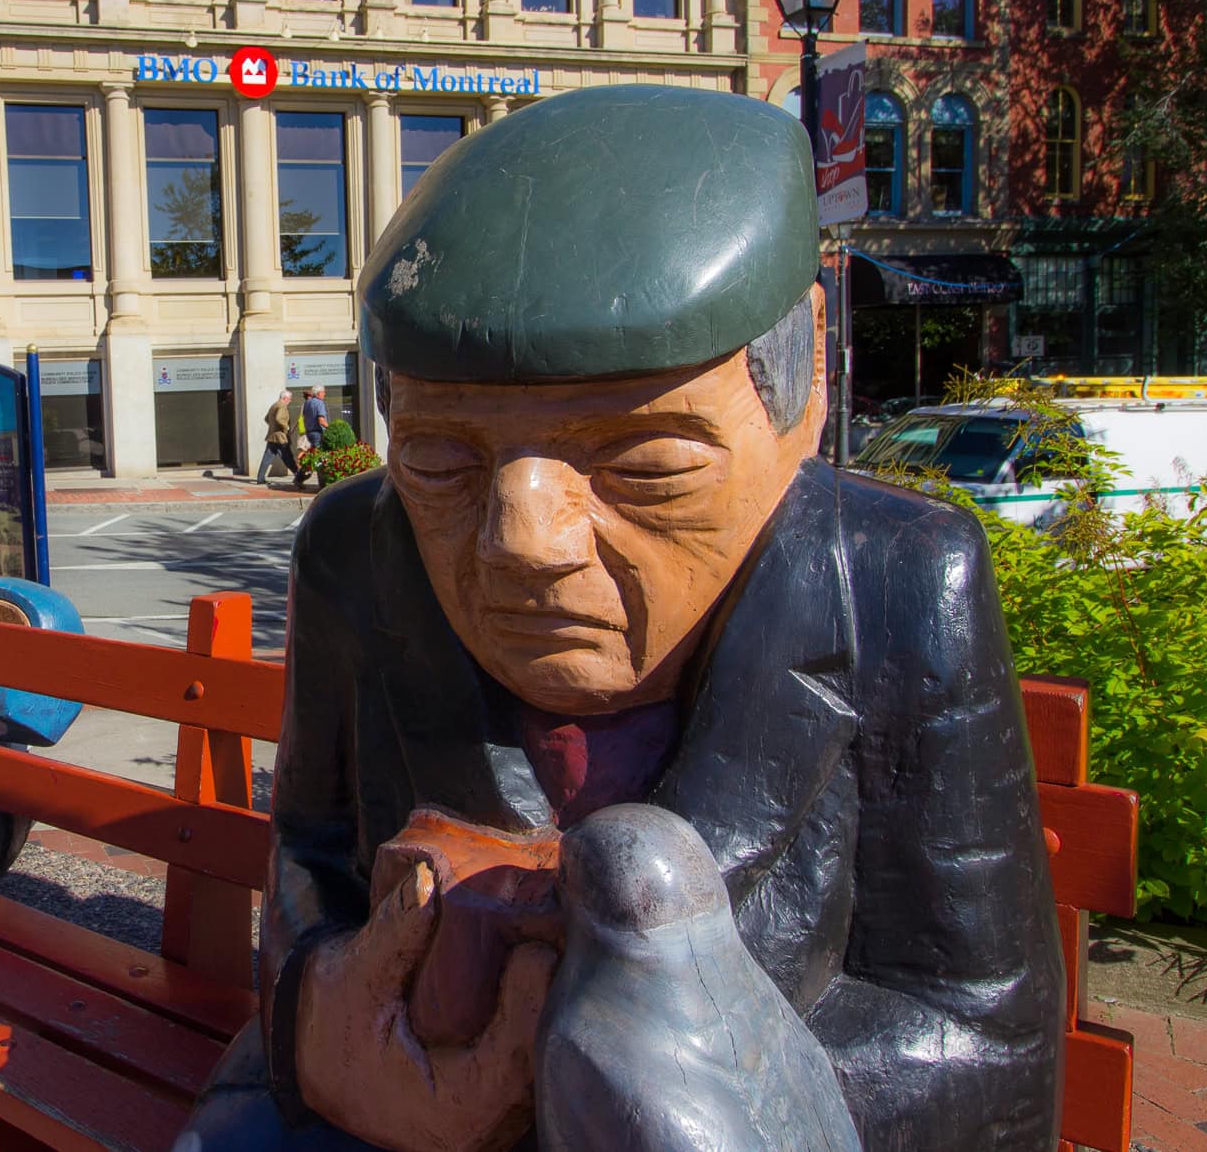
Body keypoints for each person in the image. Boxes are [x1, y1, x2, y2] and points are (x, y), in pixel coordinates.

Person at [183, 87, 1061, 1150]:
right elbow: (307, 854)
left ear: (804, 382)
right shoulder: (355, 555)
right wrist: (320, 1024)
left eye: (646, 462)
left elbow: (983, 1032)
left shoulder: (895, 585)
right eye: (439, 460)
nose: (522, 537)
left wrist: (750, 1103)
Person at [257, 391, 308, 487]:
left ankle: (260, 478)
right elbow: (278, 418)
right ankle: (299, 476)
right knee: (288, 457)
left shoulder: (274, 405)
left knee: (267, 458)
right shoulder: (282, 406)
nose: (290, 400)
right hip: (280, 437)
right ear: (285, 398)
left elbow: (267, 418)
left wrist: (274, 427)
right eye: (289, 399)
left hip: (272, 436)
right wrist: (286, 427)